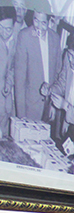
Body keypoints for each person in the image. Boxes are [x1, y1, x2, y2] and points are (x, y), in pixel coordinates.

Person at [41, 27, 74, 155]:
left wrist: (64, 105)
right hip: (66, 123)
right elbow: (61, 83)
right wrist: (50, 90)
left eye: (72, 57)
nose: (69, 59)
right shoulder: (68, 58)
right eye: (68, 54)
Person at [14, 4, 62, 121]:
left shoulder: (55, 38)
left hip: (49, 104)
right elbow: (19, 79)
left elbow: (58, 73)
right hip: (29, 106)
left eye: (43, 23)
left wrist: (54, 104)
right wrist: (21, 115)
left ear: (49, 21)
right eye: (36, 21)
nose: (39, 27)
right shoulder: (24, 36)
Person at [0, 6, 16, 137]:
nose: (4, 32)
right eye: (1, 27)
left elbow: (13, 68)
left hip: (6, 99)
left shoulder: (15, 42)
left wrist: (9, 83)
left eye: (8, 29)